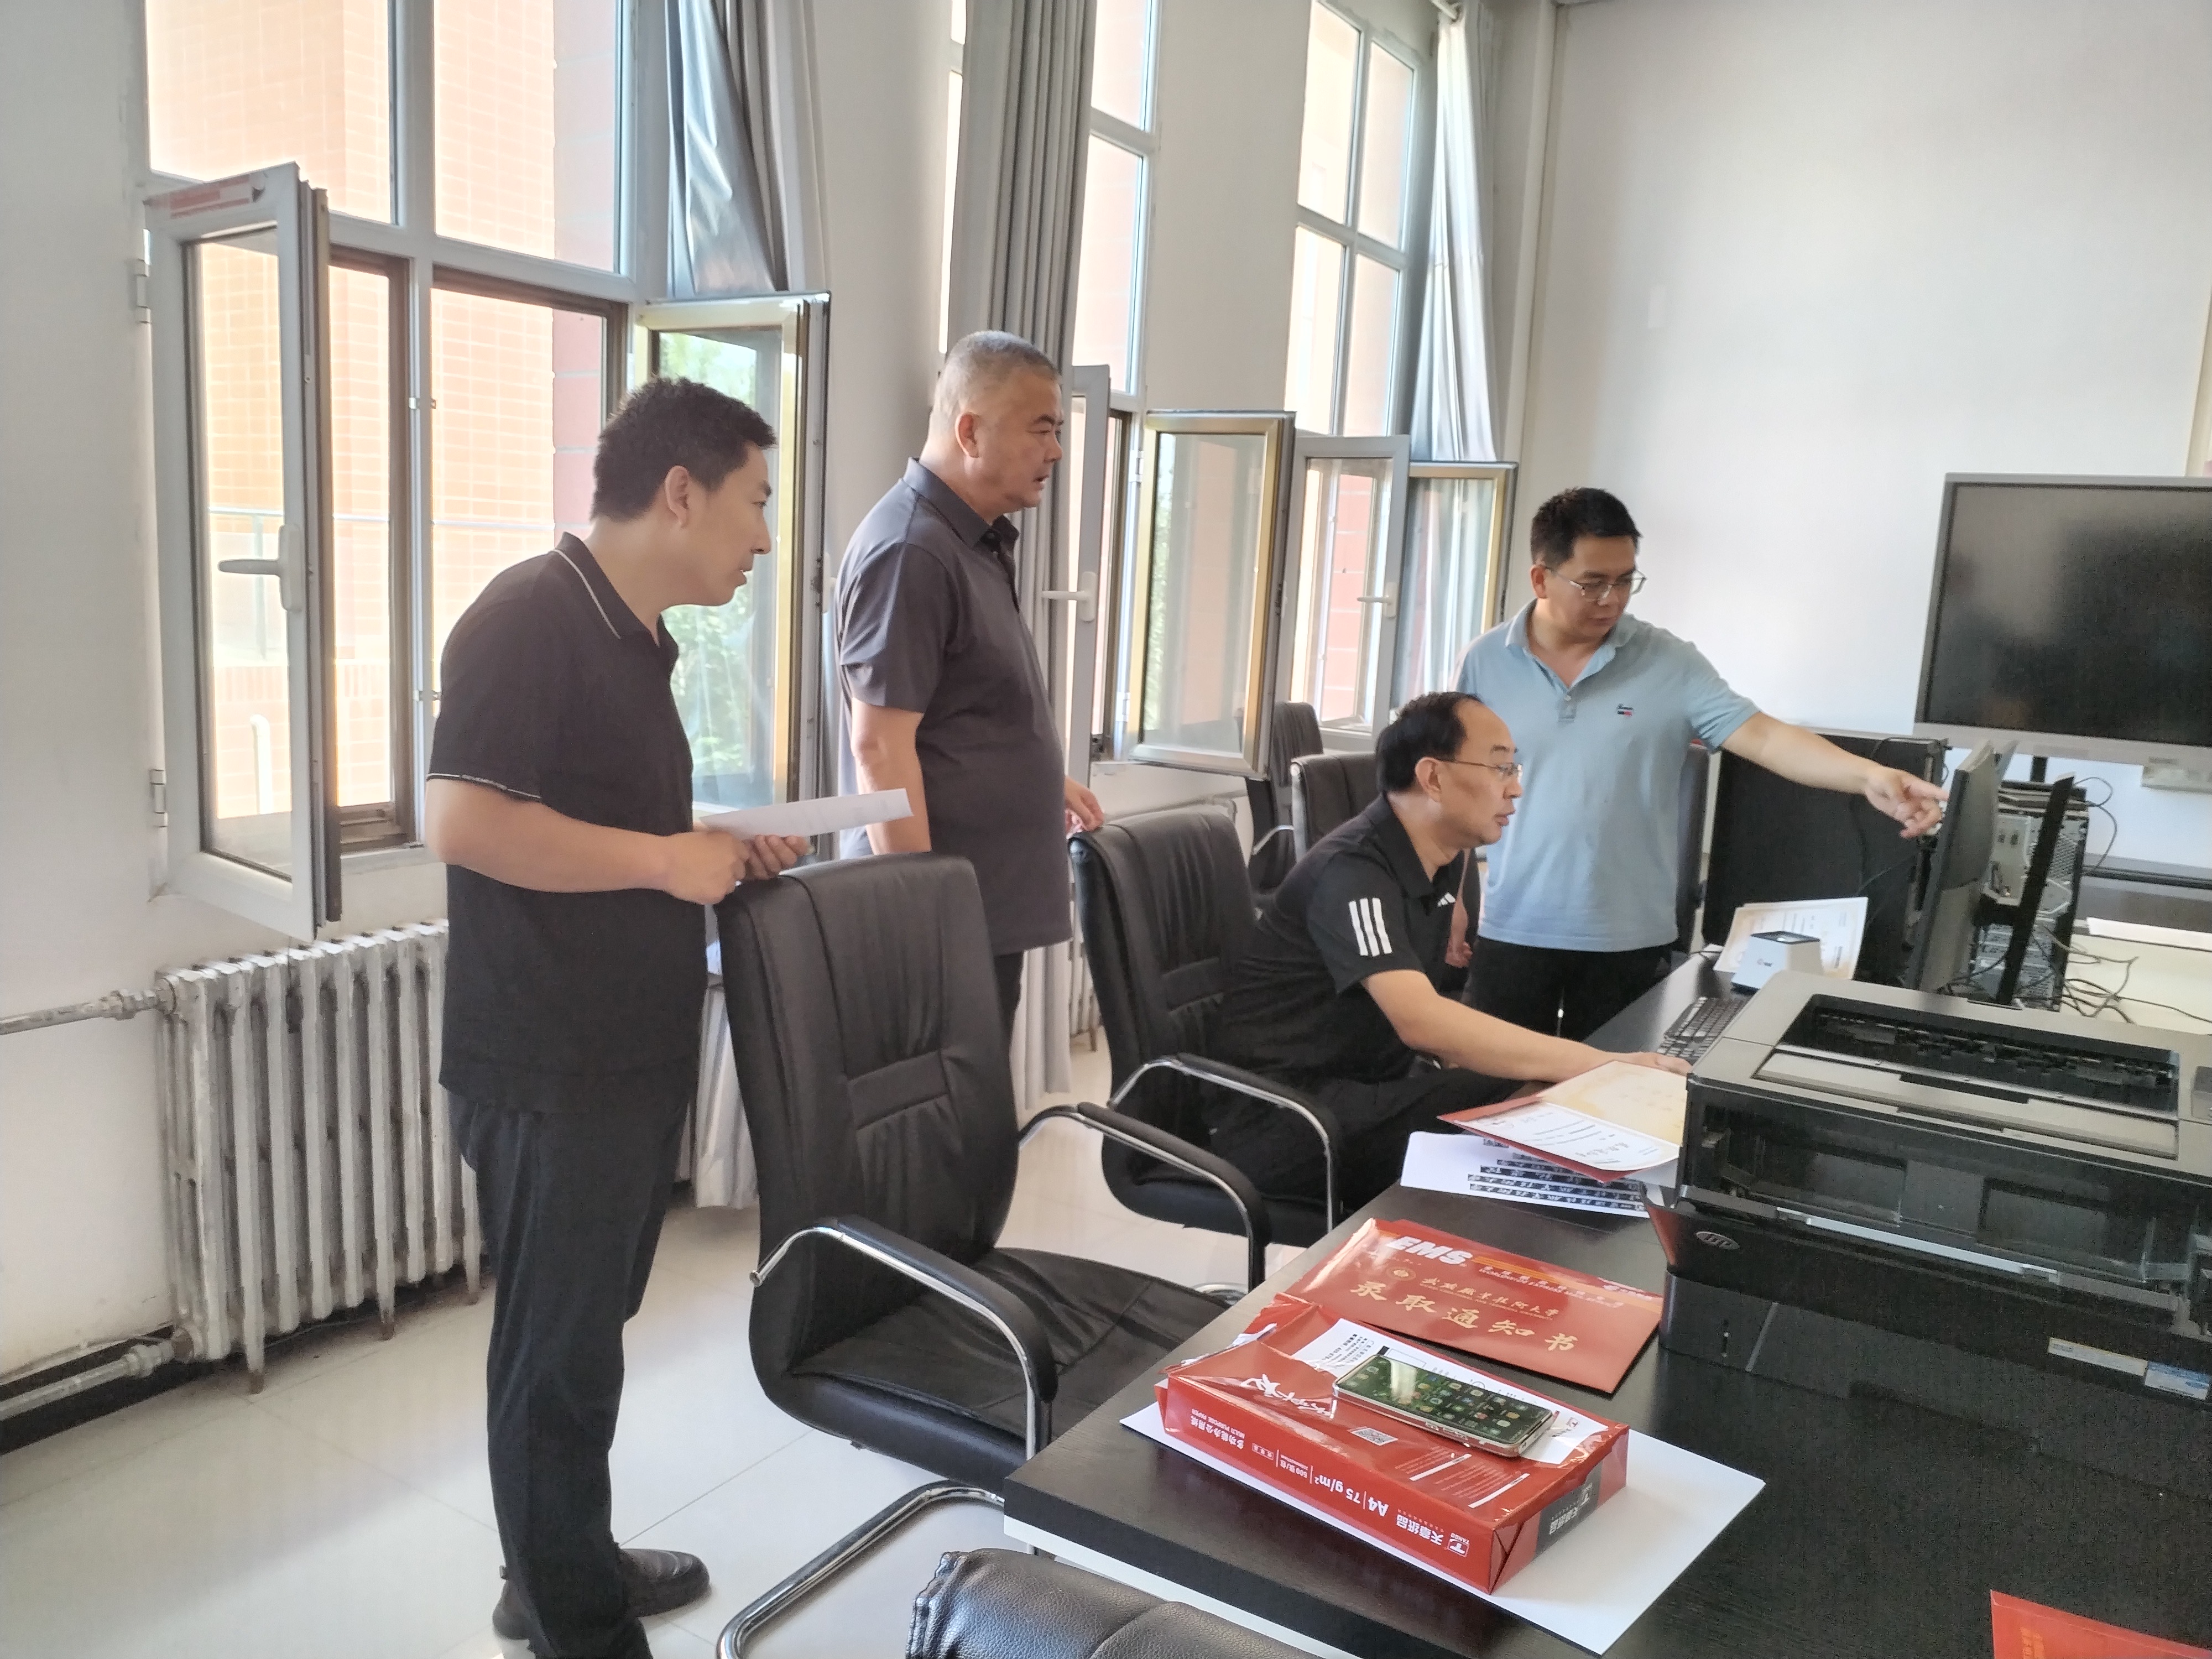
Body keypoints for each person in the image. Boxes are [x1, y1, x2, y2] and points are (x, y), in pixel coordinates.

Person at [423, 378, 809, 1659]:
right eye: (755, 503)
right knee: (554, 1351)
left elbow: (602, 824)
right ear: (680, 493)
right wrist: (661, 861)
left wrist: (711, 847)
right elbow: (462, 821)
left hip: (619, 1054)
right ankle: (572, 1624)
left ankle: (557, 1564)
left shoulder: (635, 638)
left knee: (585, 1335)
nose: (764, 538)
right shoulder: (529, 616)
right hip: (548, 1062)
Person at [1453, 487, 1947, 1040]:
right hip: (1512, 927)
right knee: (1492, 1085)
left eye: (1625, 580)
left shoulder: (1670, 662)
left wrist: (1870, 776)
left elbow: (1764, 737)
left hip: (1627, 940)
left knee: (1613, 1087)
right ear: (1541, 579)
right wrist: (1449, 900)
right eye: (1592, 583)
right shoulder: (1484, 662)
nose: (1612, 599)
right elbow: (1455, 790)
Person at [1205, 692, 1689, 1212]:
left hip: (1365, 1085)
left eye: (1515, 768)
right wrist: (1602, 1064)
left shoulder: (1439, 857)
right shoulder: (1351, 873)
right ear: (1433, 777)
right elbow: (1423, 1022)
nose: (1516, 787)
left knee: (1530, 1097)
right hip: (1283, 1116)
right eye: (1501, 768)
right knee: (1522, 1105)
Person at [837, 330, 1104, 1037]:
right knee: (947, 1100)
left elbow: (961, 707)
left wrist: (1038, 777)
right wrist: (924, 914)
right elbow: (878, 747)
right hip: (937, 921)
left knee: (975, 1096)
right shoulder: (912, 551)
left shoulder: (968, 539)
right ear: (969, 431)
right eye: (1040, 429)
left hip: (980, 906)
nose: (1055, 451)